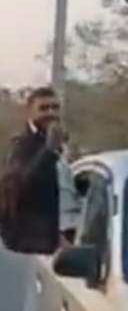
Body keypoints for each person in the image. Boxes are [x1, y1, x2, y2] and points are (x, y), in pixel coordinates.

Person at [0, 87, 68, 254]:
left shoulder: (59, 140)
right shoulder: (21, 145)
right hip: (32, 246)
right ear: (30, 112)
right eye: (43, 108)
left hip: (63, 239)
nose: (51, 113)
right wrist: (49, 152)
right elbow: (21, 185)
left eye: (55, 108)